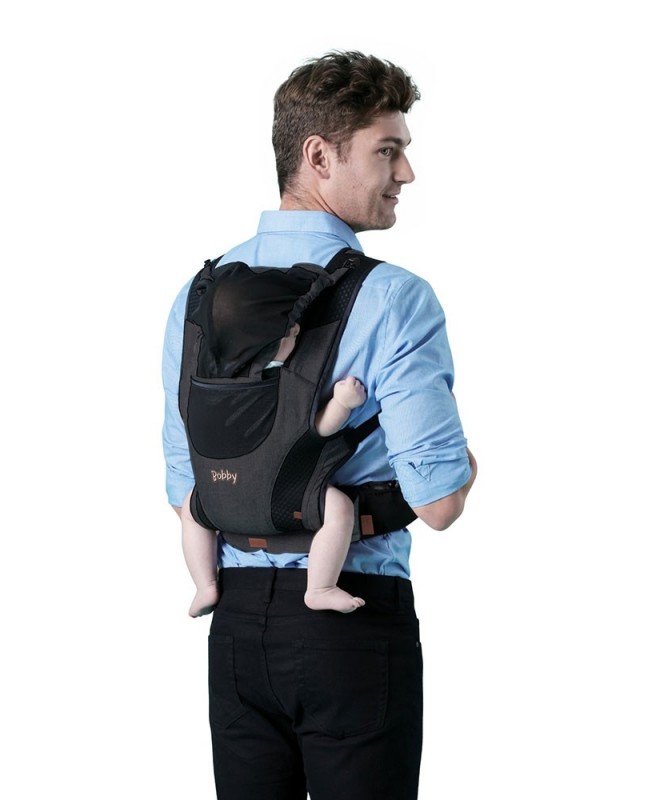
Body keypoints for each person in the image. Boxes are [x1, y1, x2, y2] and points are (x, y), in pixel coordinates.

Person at [162, 50, 477, 800]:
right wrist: (466, 466)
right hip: (350, 624)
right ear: (318, 156)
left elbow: (186, 487)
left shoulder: (198, 295)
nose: (406, 174)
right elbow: (439, 505)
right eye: (387, 151)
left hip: (234, 628)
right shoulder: (394, 298)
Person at [182, 320, 368, 617]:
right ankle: (320, 588)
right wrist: (343, 403)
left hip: (223, 486)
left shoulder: (215, 383)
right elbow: (319, 428)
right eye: (288, 331)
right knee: (340, 509)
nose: (296, 329)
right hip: (282, 492)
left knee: (191, 511)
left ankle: (205, 585)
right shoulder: (290, 383)